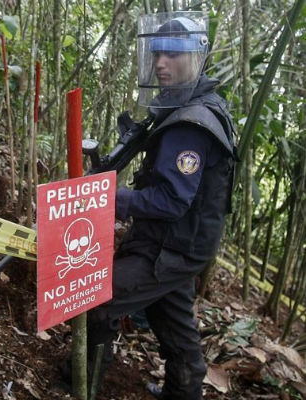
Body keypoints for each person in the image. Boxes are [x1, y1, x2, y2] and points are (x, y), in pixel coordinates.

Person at [86, 12, 238, 399]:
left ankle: (78, 384)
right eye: (157, 54)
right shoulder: (196, 105)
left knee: (99, 300)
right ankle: (182, 391)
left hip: (171, 247)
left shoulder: (191, 123)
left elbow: (172, 200)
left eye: (172, 54)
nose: (160, 63)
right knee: (171, 321)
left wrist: (110, 200)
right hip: (181, 242)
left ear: (193, 58)